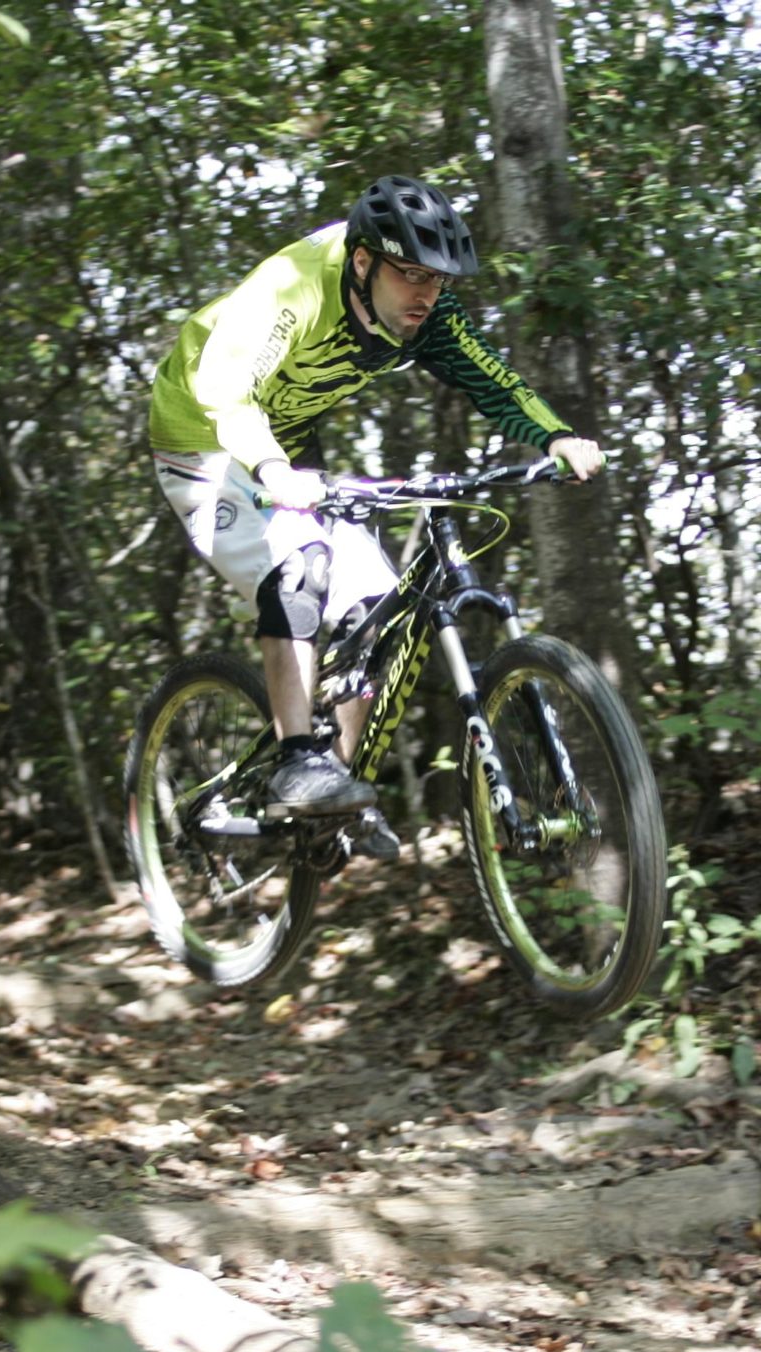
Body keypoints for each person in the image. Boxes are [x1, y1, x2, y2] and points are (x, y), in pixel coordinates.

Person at [147, 174, 605, 855]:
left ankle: (333, 791)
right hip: (204, 442)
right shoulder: (295, 287)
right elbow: (225, 384)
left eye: (440, 280)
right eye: (412, 274)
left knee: (376, 607)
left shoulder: (426, 315)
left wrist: (554, 436)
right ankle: (299, 758)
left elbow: (491, 378)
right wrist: (274, 471)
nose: (427, 294)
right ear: (363, 261)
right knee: (298, 566)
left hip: (284, 448)